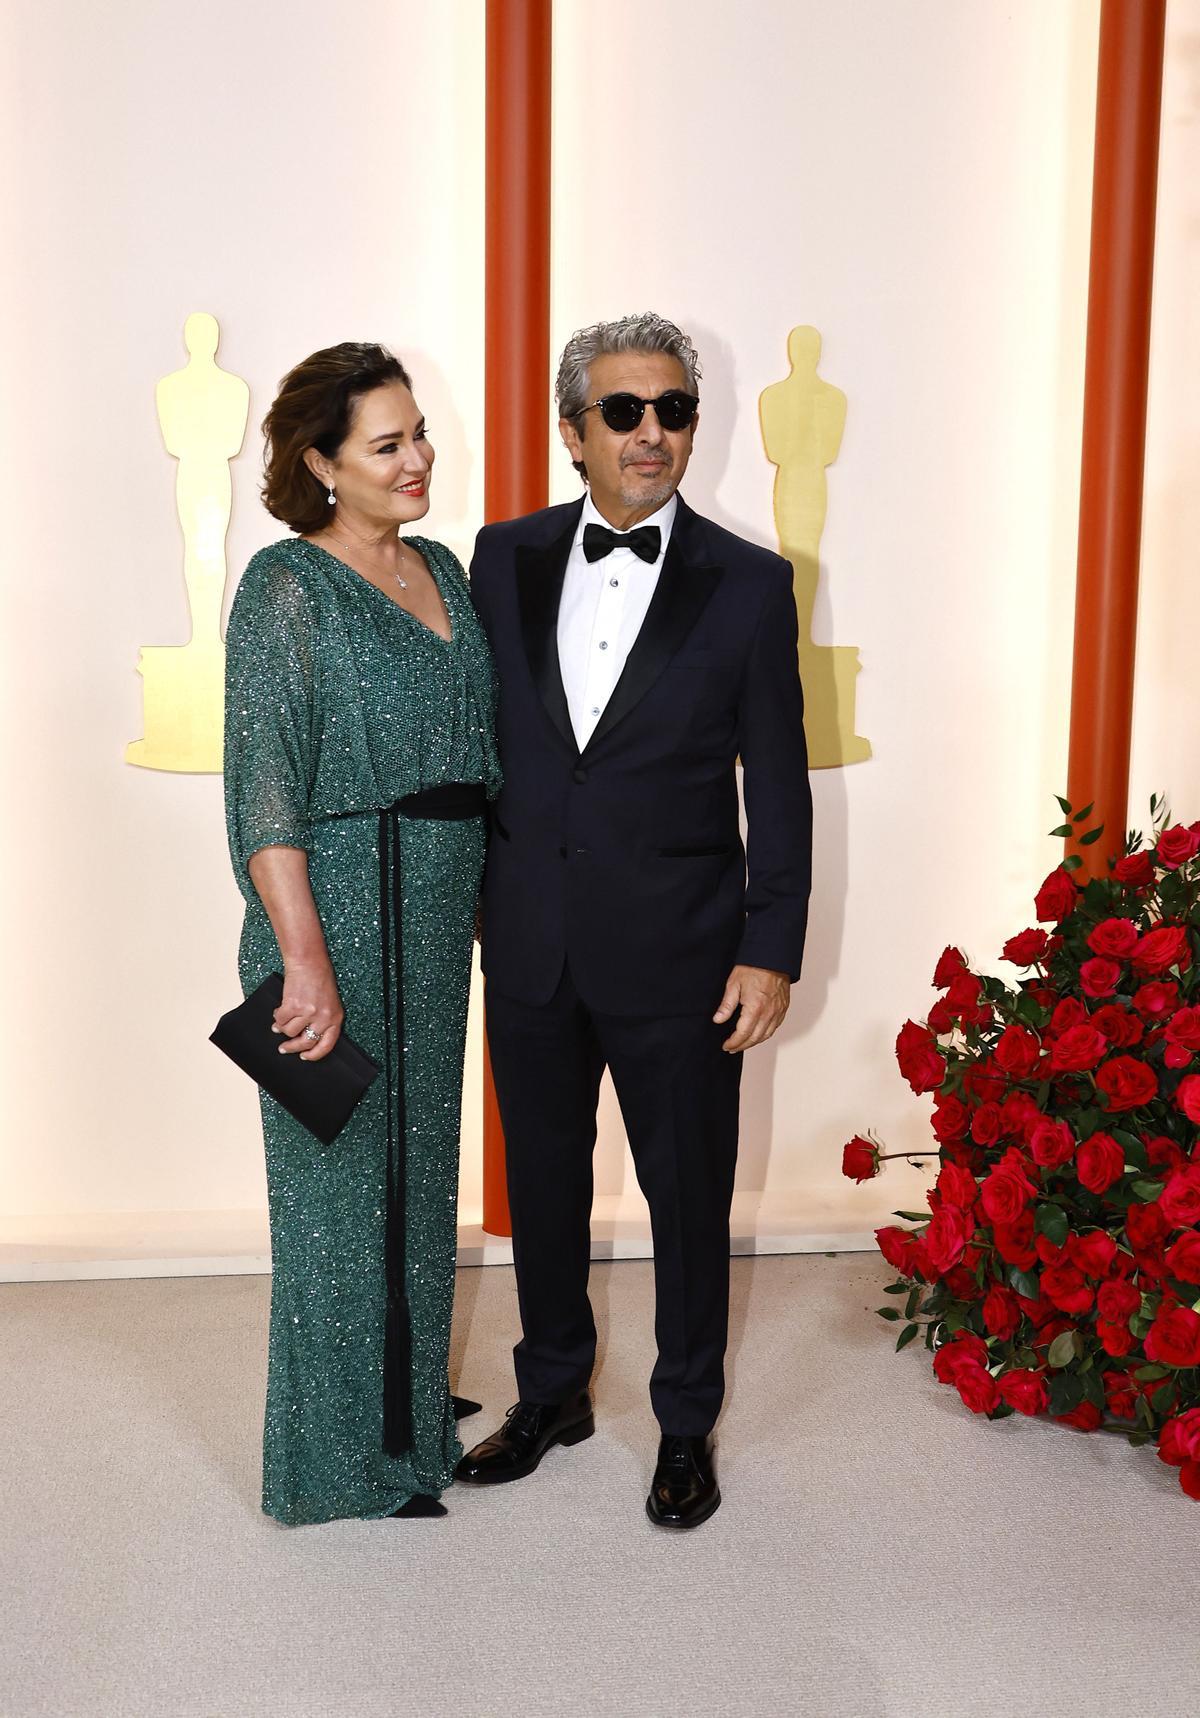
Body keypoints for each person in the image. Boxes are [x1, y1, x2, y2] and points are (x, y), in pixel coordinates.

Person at [459, 313, 812, 1527]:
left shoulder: (753, 584)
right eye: (623, 411)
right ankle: (552, 1389)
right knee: (544, 1187)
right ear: (574, 431)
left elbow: (778, 774)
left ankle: (682, 1420)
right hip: (532, 941)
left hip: (685, 953)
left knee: (686, 1199)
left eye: (672, 409)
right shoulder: (497, 558)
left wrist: (772, 943)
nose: (651, 432)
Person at [223, 343, 501, 1525]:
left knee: (417, 1165)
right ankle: (344, 1460)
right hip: (331, 907)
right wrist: (304, 956)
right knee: (337, 1186)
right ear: (322, 464)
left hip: (437, 914)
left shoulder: (444, 565)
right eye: (387, 445)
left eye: (419, 433)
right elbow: (265, 789)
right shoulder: (284, 585)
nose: (419, 458)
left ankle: (407, 1404)